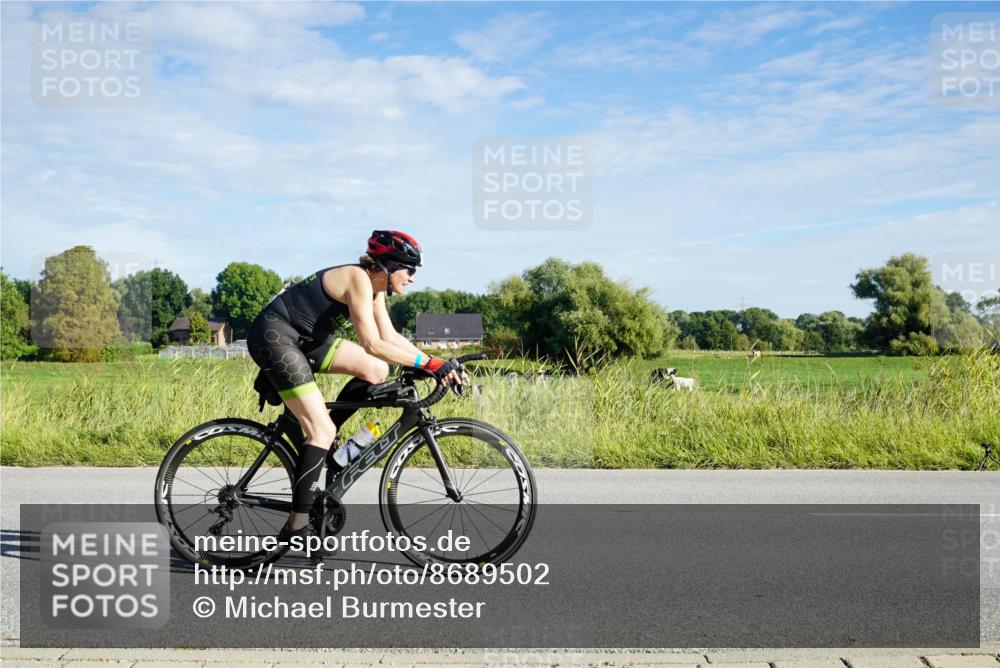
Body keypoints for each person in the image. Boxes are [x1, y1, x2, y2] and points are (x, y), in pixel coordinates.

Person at [246, 230, 463, 541]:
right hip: (275, 337)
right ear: (388, 266)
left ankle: (329, 448)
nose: (413, 278)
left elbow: (390, 339)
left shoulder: (376, 289)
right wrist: (427, 364)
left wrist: (434, 361)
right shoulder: (358, 279)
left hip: (307, 340)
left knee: (375, 370)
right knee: (321, 431)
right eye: (410, 270)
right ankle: (297, 525)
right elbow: (372, 342)